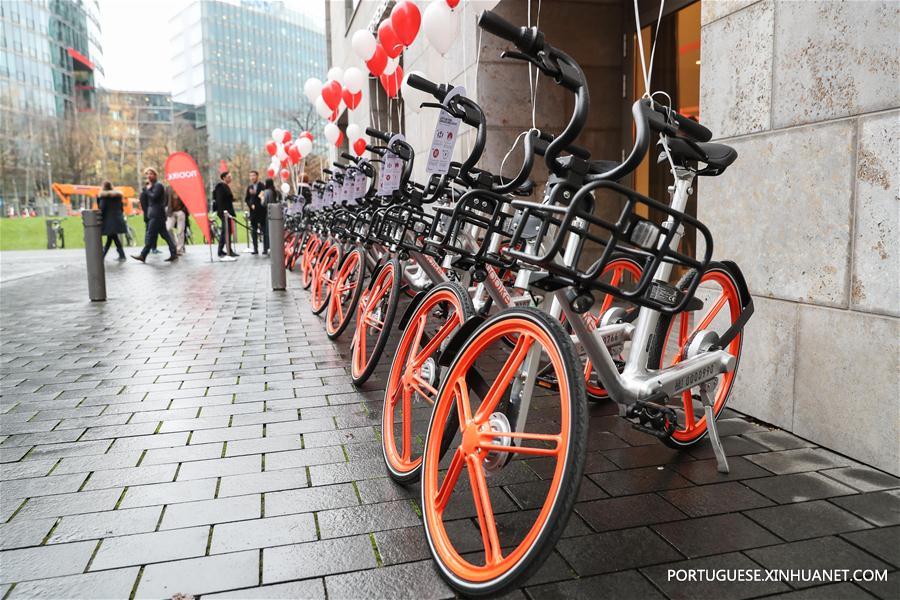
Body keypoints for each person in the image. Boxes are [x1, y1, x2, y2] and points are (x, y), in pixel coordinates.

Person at [132, 167, 177, 262]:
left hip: (157, 215)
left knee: (150, 235)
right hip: (155, 215)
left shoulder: (158, 185)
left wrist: (147, 190)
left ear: (155, 175)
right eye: (147, 174)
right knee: (165, 235)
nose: (149, 175)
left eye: (151, 173)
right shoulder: (152, 186)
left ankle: (143, 255)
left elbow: (154, 197)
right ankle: (174, 253)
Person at [98, 181, 127, 260]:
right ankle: (121, 255)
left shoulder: (104, 197)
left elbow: (102, 208)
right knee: (112, 238)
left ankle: (103, 256)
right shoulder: (118, 197)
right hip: (117, 219)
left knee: (112, 238)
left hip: (109, 221)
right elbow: (121, 208)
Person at [214, 171, 238, 260]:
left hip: (227, 212)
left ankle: (228, 249)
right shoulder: (220, 186)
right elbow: (219, 200)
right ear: (224, 177)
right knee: (225, 232)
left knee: (228, 232)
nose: (230, 178)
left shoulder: (226, 186)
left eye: (231, 176)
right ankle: (221, 250)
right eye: (229, 176)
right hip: (224, 213)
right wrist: (224, 212)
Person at [245, 170, 265, 255]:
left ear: (257, 176)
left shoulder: (262, 186)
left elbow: (263, 197)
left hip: (261, 212)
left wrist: (256, 194)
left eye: (253, 175)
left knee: (264, 231)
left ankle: (265, 248)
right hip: (253, 213)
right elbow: (246, 199)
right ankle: (255, 249)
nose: (252, 177)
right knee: (253, 231)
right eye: (250, 176)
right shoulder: (249, 187)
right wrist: (250, 204)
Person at [261, 177, 282, 255]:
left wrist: (261, 198)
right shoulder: (277, 192)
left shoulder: (266, 192)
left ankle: (268, 247)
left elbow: (264, 203)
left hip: (269, 213)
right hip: (277, 214)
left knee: (268, 231)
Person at [166, 186, 188, 255]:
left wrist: (183, 210)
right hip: (171, 212)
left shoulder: (183, 188)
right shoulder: (168, 188)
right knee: (168, 228)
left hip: (180, 211)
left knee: (180, 231)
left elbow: (188, 199)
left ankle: (179, 249)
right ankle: (175, 244)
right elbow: (165, 200)